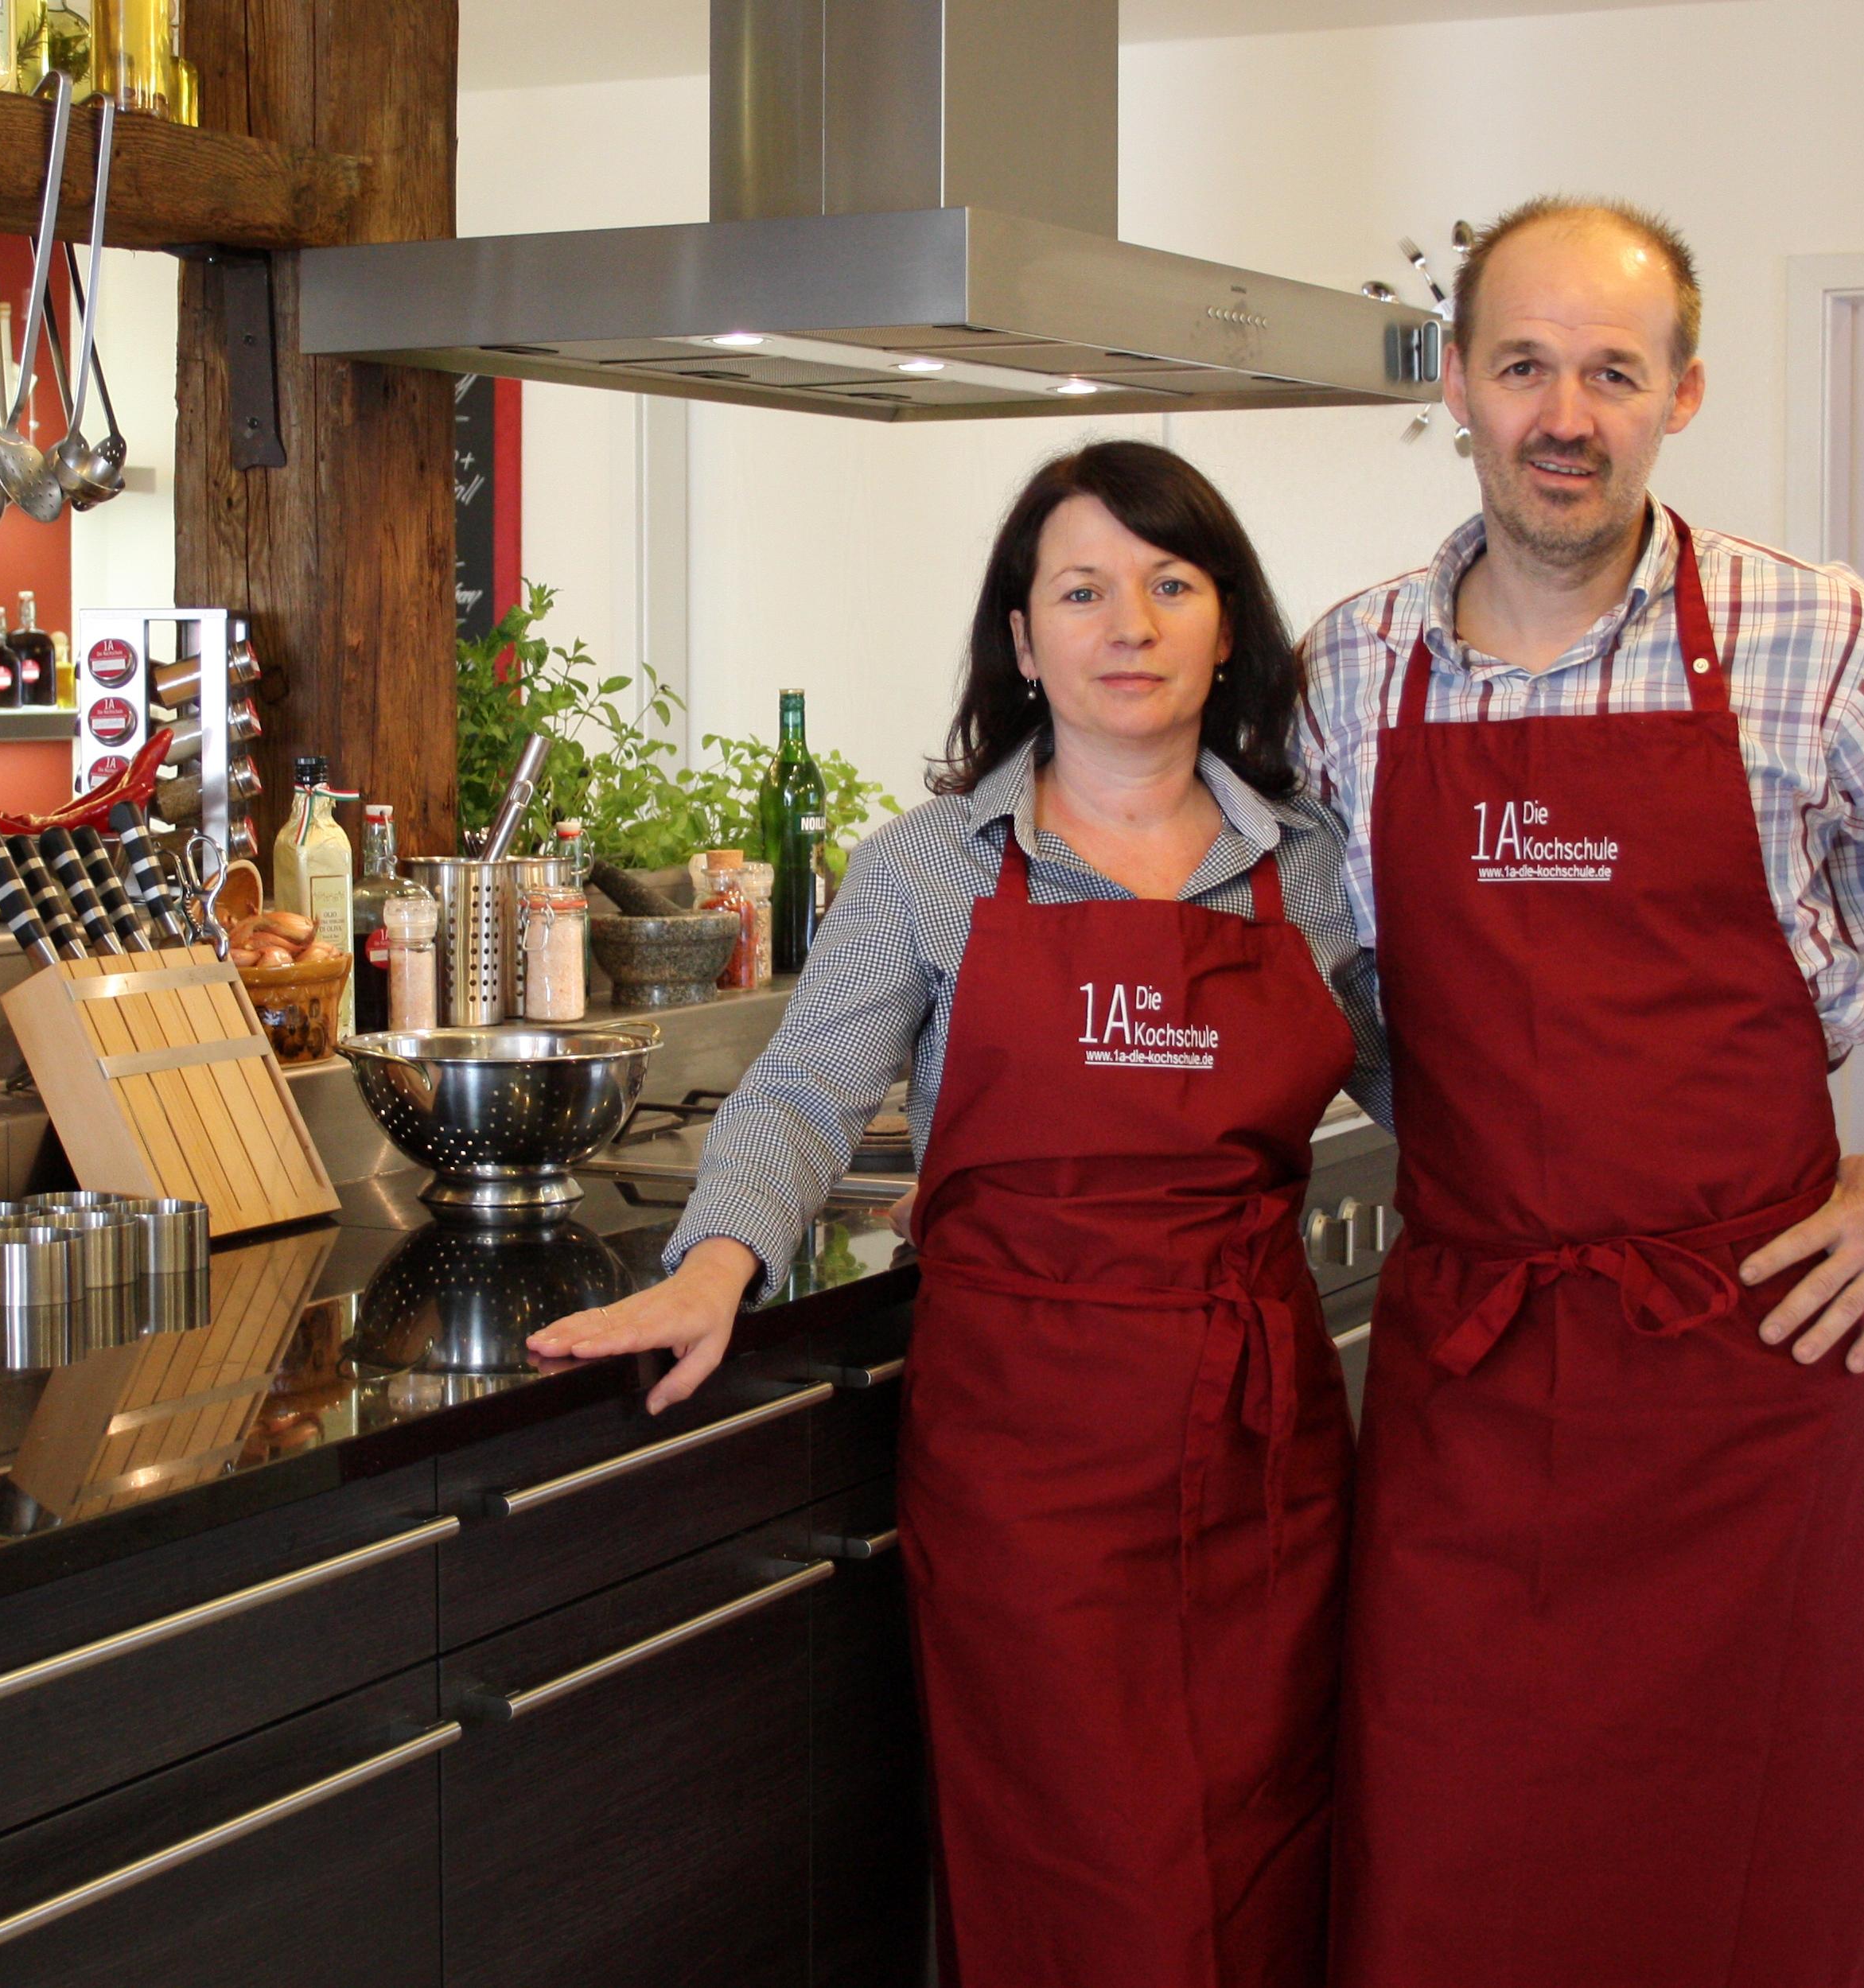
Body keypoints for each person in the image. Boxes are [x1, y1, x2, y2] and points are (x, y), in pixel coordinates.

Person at [1294, 196, 1864, 1988]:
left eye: (1612, 370)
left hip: (1746, 1367)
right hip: (1470, 1369)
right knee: (1446, 1850)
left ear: (1683, 393)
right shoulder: (1348, 668)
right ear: (1455, 384)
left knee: (1752, 1865)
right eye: (1522, 365)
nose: (1563, 414)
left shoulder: (1816, 636)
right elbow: (1302, 968)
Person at [530, 442, 1388, 1988]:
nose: (1127, 624)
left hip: (1261, 1454)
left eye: (1169, 584)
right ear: (1022, 639)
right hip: (1025, 1464)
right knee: (1080, 1865)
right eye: (1082, 590)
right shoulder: (930, 871)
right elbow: (804, 1090)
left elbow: (1449, 1105)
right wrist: (715, 1263)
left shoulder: (1314, 870)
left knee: (1269, 1838)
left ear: (1225, 628)